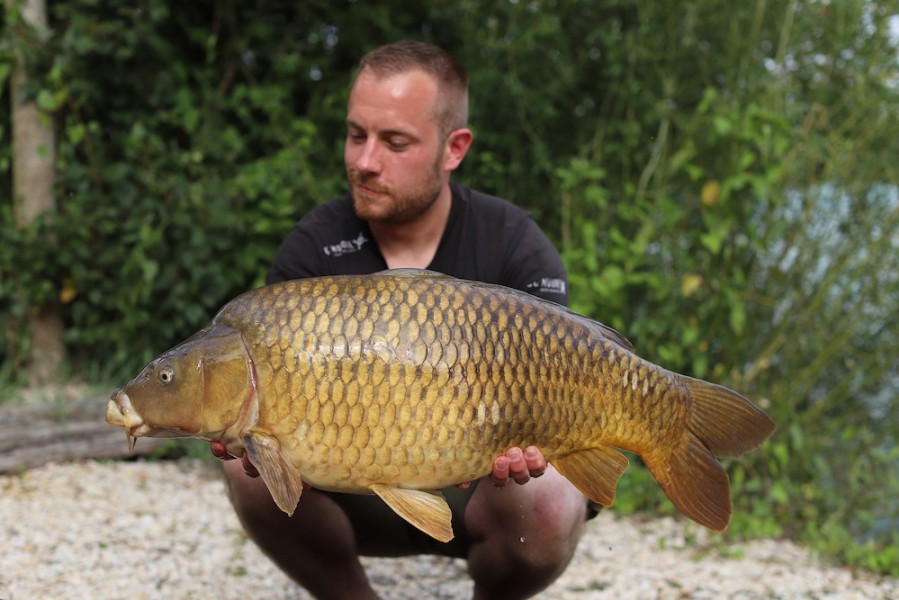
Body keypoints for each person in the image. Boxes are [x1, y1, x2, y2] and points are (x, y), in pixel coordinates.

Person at [213, 40, 591, 600]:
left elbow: (568, 375)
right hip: (348, 488)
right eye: (355, 134)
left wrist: (536, 444)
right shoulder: (314, 249)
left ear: (453, 148)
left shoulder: (513, 244)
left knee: (553, 497)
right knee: (248, 475)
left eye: (394, 142)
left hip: (484, 491)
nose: (364, 161)